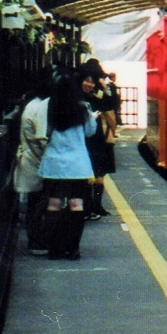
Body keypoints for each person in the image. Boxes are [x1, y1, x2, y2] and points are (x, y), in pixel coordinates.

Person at [38, 68, 99, 260]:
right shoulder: (83, 108)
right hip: (77, 166)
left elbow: (44, 133)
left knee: (54, 204)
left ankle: (54, 248)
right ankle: (72, 248)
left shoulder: (48, 107)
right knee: (76, 204)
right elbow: (90, 132)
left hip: (54, 165)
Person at [14, 84, 52, 252]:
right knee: (38, 203)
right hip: (35, 161)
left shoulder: (32, 105)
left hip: (30, 159)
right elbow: (41, 139)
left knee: (35, 202)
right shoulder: (39, 108)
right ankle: (36, 241)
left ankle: (36, 239)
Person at [81, 59, 121, 217]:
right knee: (98, 173)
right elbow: (110, 108)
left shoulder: (91, 94)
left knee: (94, 173)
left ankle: (92, 206)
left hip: (95, 137)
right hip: (98, 137)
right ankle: (95, 206)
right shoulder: (96, 95)